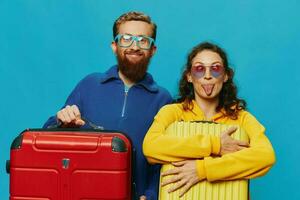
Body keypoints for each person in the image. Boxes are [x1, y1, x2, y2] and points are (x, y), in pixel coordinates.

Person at [44, 11, 172, 200]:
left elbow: (164, 159)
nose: (134, 46)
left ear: (153, 49)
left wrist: (152, 195)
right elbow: (48, 135)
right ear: (114, 46)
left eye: (143, 40)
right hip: (83, 194)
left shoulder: (164, 99)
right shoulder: (89, 85)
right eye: (126, 38)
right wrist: (61, 120)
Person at [143, 42, 276, 197]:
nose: (207, 75)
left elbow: (265, 156)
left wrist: (202, 170)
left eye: (216, 68)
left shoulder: (241, 118)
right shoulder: (173, 113)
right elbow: (151, 147)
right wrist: (216, 145)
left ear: (226, 76)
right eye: (199, 69)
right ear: (189, 76)